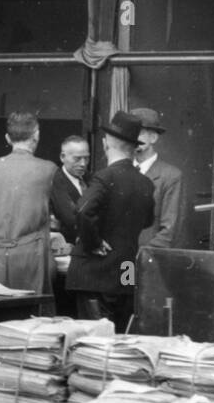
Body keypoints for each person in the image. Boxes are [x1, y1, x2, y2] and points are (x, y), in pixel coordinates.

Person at [66, 111, 155, 330]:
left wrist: (93, 242)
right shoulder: (146, 183)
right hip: (126, 272)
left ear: (106, 144)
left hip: (96, 275)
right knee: (120, 338)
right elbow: (148, 221)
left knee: (94, 343)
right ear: (134, 147)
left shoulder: (105, 177)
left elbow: (82, 210)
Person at [0, 111, 56, 293]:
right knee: (32, 317)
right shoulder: (48, 169)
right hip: (32, 262)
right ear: (36, 136)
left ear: (7, 138)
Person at [130, 107, 185, 250]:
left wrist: (141, 255)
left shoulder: (170, 175)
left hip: (149, 258)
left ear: (153, 138)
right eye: (131, 132)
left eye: (139, 133)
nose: (133, 137)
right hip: (118, 260)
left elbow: (169, 231)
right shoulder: (120, 171)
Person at [49, 135, 91, 246]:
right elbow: (69, 219)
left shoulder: (93, 180)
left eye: (86, 158)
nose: (83, 164)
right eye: (77, 159)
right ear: (63, 157)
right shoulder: (53, 183)